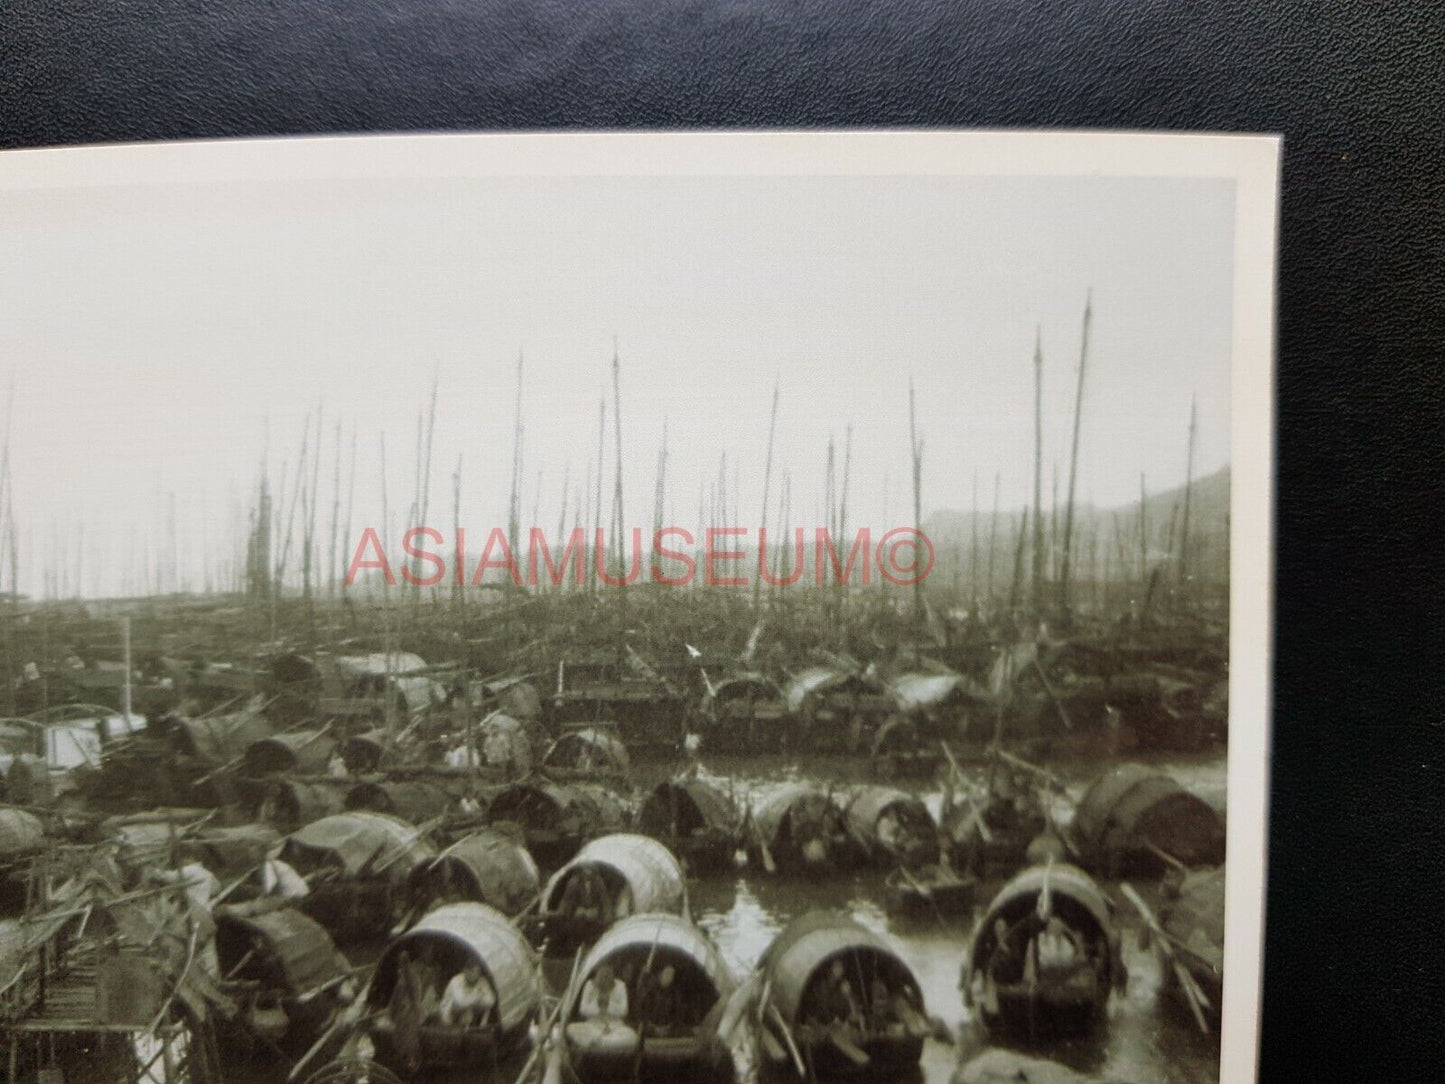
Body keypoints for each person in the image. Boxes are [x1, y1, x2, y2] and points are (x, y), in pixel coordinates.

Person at [438, 961, 496, 1027]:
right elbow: (461, 1002)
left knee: (485, 1008)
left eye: (478, 971)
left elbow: (491, 1001)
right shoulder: (456, 981)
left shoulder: (482, 981)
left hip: (468, 1011)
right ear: (466, 971)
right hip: (450, 1014)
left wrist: (473, 998)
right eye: (473, 972)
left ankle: (477, 1028)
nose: (476, 975)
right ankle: (459, 1029)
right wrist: (478, 995)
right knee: (468, 1011)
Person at [636, 965, 681, 1037]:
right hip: (649, 1030)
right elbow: (641, 1011)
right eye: (667, 973)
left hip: (668, 1031)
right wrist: (653, 1028)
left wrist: (668, 1027)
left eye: (672, 974)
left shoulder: (675, 993)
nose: (669, 977)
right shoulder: (649, 990)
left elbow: (677, 1014)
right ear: (660, 974)